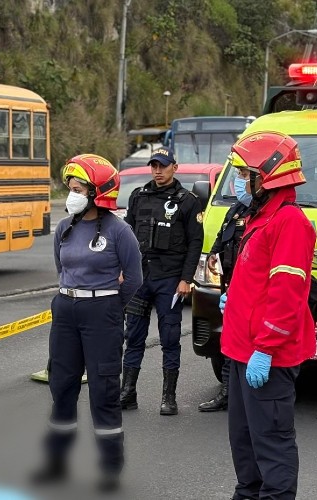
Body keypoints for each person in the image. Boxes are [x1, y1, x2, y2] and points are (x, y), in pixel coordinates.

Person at [32, 154, 142, 493]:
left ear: (98, 192)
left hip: (102, 314)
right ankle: (56, 462)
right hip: (65, 311)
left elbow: (135, 278)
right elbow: (60, 269)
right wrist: (71, 299)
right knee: (61, 388)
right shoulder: (64, 229)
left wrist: (108, 306)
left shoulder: (119, 231)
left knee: (103, 392)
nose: (72, 194)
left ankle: (110, 468)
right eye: (71, 188)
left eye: (79, 188)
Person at [220, 131, 316, 500]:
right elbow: (259, 278)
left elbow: (287, 293)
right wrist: (235, 297)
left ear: (268, 175)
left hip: (267, 356)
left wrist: (267, 347)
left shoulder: (288, 222)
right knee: (244, 445)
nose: (240, 180)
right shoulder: (260, 217)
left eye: (245, 173)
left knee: (271, 446)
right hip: (242, 350)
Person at [119, 147, 203, 416]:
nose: (157, 170)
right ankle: (128, 392)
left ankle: (169, 397)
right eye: (154, 165)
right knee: (133, 337)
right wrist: (123, 270)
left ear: (174, 168)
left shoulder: (187, 201)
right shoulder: (138, 197)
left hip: (170, 281)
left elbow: (195, 243)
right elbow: (126, 237)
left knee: (169, 337)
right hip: (140, 281)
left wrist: (186, 279)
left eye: (163, 166)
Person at [197, 172, 257, 413]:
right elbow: (223, 238)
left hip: (250, 288)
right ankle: (228, 393)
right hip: (230, 284)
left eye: (245, 175)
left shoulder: (263, 213)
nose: (240, 181)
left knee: (250, 343)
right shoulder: (236, 209)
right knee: (229, 342)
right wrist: (212, 255)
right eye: (239, 175)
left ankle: (249, 394)